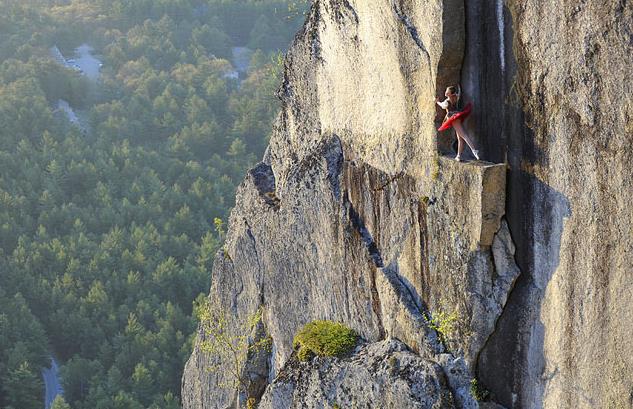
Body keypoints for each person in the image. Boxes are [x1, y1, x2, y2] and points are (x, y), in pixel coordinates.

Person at [436, 85, 480, 161]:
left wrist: (437, 101)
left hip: (453, 119)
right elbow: (458, 94)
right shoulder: (455, 97)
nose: (445, 92)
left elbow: (442, 105)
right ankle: (458, 156)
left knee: (464, 135)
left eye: (447, 92)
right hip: (457, 116)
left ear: (450, 94)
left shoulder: (446, 102)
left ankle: (474, 150)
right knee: (460, 138)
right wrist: (458, 89)